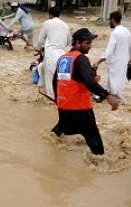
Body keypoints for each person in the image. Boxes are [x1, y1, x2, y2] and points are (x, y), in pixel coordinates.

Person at [51, 28, 121, 156]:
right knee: (95, 141)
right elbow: (89, 82)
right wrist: (107, 96)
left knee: (61, 128)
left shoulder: (63, 58)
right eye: (87, 43)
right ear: (78, 43)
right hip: (80, 109)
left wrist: (58, 100)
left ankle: (50, 148)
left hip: (64, 106)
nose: (90, 46)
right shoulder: (81, 59)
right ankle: (100, 163)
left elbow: (55, 81)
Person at [92, 11, 131, 103]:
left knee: (113, 82)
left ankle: (117, 100)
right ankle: (114, 98)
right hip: (123, 61)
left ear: (112, 20)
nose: (109, 23)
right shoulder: (126, 31)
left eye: (109, 20)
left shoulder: (115, 33)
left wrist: (99, 61)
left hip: (115, 62)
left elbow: (109, 50)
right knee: (118, 81)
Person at [34, 7, 70, 99]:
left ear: (50, 14)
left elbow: (40, 40)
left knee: (49, 80)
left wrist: (38, 49)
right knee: (61, 79)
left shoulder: (47, 23)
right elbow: (68, 42)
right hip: (63, 56)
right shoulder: (66, 26)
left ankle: (51, 100)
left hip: (51, 55)